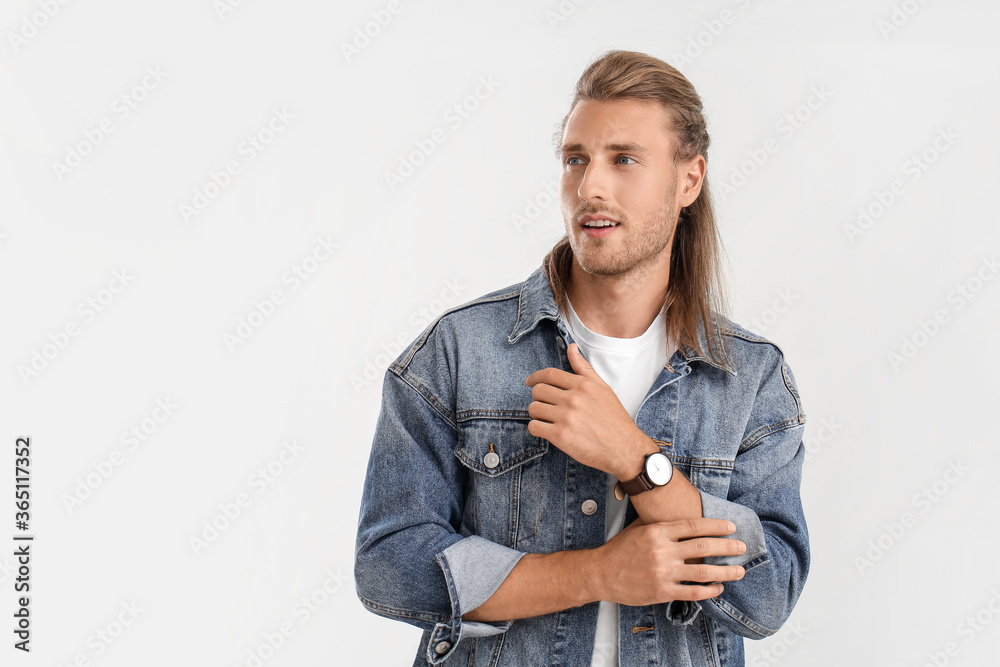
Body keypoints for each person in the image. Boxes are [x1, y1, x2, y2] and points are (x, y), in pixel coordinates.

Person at [354, 49, 809, 667]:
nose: (589, 186)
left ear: (689, 179)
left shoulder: (750, 378)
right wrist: (595, 574)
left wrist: (633, 457)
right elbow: (388, 565)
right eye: (576, 159)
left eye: (624, 160)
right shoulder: (460, 350)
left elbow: (769, 595)